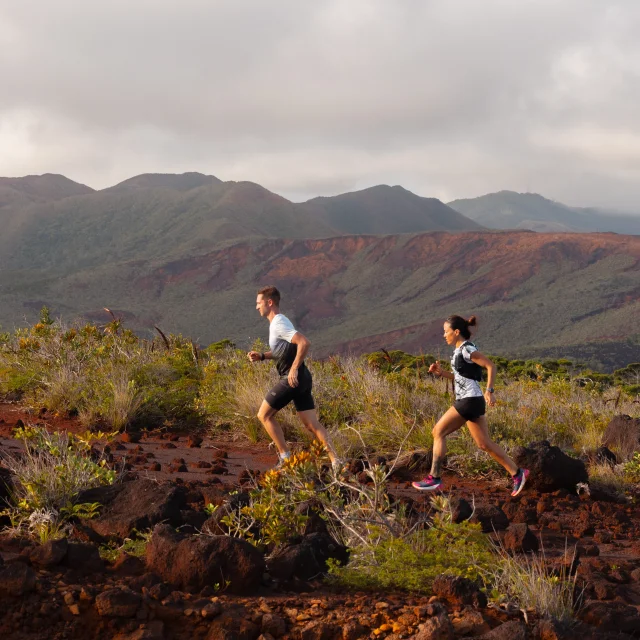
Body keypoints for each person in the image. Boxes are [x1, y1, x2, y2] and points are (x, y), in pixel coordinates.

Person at [412, 315, 529, 496]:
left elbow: (491, 366)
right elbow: (462, 378)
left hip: (469, 400)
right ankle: (518, 473)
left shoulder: (467, 349)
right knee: (484, 444)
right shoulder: (460, 351)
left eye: (446, 332)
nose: (444, 335)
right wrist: (442, 373)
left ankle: (434, 478)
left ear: (456, 332)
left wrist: (489, 390)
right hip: (472, 400)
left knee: (438, 432)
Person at [248, 285, 342, 471]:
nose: (257, 307)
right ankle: (337, 462)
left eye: (258, 303)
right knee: (311, 424)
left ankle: (285, 457)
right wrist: (262, 355)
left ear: (269, 302)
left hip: (293, 378)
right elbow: (282, 350)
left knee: (264, 415)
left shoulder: (278, 323)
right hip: (303, 379)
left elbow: (304, 342)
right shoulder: (280, 322)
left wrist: (293, 369)